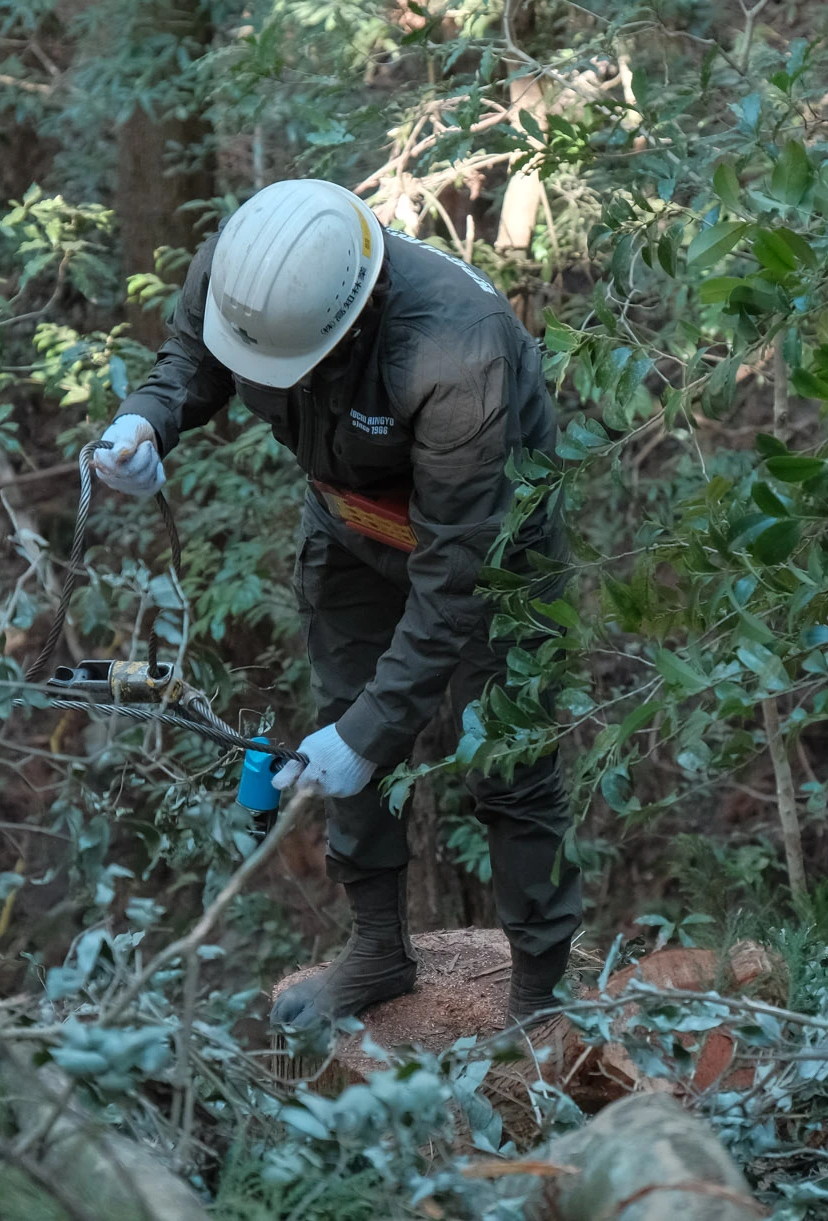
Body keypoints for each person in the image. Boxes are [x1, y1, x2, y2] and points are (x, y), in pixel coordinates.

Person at [93, 178, 581, 1028]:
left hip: (487, 550)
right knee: (342, 715)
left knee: (507, 751)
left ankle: (539, 992)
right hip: (350, 522)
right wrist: (145, 423)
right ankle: (378, 948)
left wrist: (369, 735)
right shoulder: (247, 271)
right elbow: (190, 364)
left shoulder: (459, 356)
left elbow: (456, 579)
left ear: (358, 316)